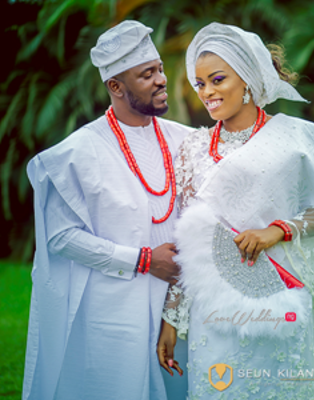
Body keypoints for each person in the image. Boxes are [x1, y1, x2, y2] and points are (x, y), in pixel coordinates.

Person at [157, 22, 314, 399]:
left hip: (279, 297)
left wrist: (278, 229)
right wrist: (171, 320)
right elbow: (188, 238)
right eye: (200, 84)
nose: (207, 92)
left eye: (217, 79)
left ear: (247, 78)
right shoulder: (192, 149)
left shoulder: (293, 138)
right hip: (213, 306)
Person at [23, 20, 193, 400]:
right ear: (115, 86)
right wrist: (144, 260)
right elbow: (61, 237)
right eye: (146, 74)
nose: (162, 79)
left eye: (161, 69)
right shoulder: (77, 154)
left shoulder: (186, 140)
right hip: (114, 308)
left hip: (176, 306)